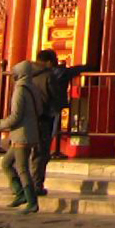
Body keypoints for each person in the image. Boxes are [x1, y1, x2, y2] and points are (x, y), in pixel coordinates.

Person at [0, 57, 48, 212]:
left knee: (22, 168)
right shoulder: (33, 87)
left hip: (22, 134)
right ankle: (20, 193)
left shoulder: (20, 90)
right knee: (6, 163)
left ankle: (31, 201)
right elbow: (40, 110)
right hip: (30, 131)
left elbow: (16, 116)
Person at [32, 47, 87, 192]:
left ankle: (23, 184)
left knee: (26, 152)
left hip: (30, 116)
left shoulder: (28, 75)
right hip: (46, 115)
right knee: (42, 151)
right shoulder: (54, 74)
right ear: (50, 62)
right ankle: (35, 185)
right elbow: (56, 93)